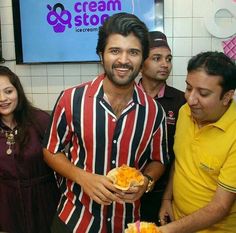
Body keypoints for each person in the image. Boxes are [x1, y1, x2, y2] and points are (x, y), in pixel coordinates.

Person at [43, 12, 168, 233]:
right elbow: (50, 151)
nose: (123, 60)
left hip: (126, 222)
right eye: (114, 51)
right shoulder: (71, 99)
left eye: (133, 52)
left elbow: (158, 159)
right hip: (75, 219)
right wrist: (83, 178)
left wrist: (146, 182)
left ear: (143, 58)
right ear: (101, 55)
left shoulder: (154, 112)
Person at [159, 51, 236, 233]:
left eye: (203, 93)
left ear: (227, 96)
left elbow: (220, 207)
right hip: (177, 221)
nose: (191, 99)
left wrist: (165, 231)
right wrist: (166, 199)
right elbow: (181, 161)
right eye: (188, 88)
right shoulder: (186, 112)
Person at [0, 65, 60, 233]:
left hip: (43, 199)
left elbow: (61, 160)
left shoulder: (40, 120)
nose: (3, 98)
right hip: (7, 204)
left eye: (8, 91)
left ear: (17, 91)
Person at [139, 31, 185, 224]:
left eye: (168, 59)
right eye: (157, 58)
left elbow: (182, 153)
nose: (165, 64)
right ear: (141, 64)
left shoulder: (182, 101)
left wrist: (168, 196)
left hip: (165, 191)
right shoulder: (127, 98)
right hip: (128, 188)